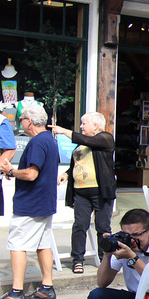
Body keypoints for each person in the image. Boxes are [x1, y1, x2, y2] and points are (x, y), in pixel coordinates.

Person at [0, 106, 59, 299]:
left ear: (29, 121)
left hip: (31, 202)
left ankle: (16, 291)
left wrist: (11, 171)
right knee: (43, 244)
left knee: (17, 244)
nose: (21, 121)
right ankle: (46, 287)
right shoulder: (49, 139)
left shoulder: (37, 142)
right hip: (44, 201)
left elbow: (32, 174)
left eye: (22, 118)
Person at [51, 112, 116, 274]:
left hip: (100, 192)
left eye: (83, 123)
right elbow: (78, 162)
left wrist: (64, 131)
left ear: (95, 125)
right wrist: (66, 173)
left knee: (103, 227)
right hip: (81, 192)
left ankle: (105, 259)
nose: (81, 126)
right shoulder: (81, 145)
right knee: (80, 225)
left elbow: (88, 141)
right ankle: (77, 260)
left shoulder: (105, 138)